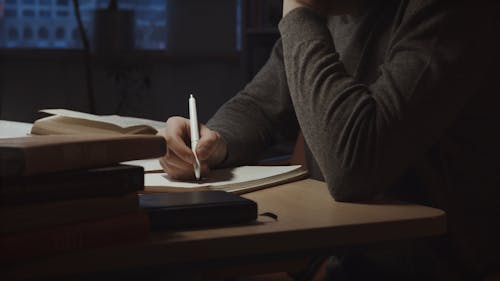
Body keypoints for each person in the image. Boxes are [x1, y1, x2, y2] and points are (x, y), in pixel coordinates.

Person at [160, 0, 500, 279]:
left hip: (428, 262)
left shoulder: (452, 11)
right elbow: (260, 103)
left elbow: (354, 165)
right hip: (336, 252)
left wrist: (298, 13)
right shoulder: (334, 8)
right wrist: (214, 141)